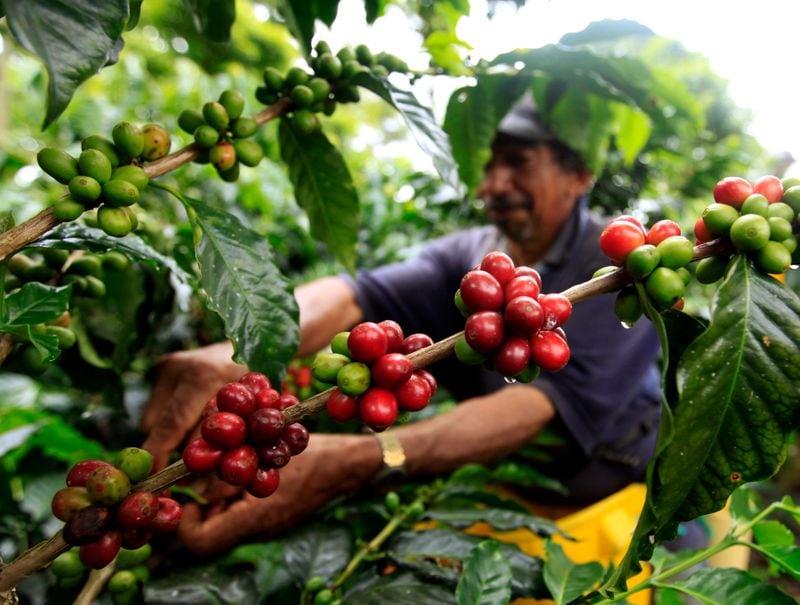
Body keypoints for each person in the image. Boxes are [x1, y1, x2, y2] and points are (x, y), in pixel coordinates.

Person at [140, 95, 663, 557]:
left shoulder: (614, 270)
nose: (493, 185)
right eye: (489, 166)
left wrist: (363, 457)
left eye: (520, 163)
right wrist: (238, 349)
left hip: (620, 500)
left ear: (579, 176)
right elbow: (353, 296)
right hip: (509, 490)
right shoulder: (470, 256)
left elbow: (536, 407)